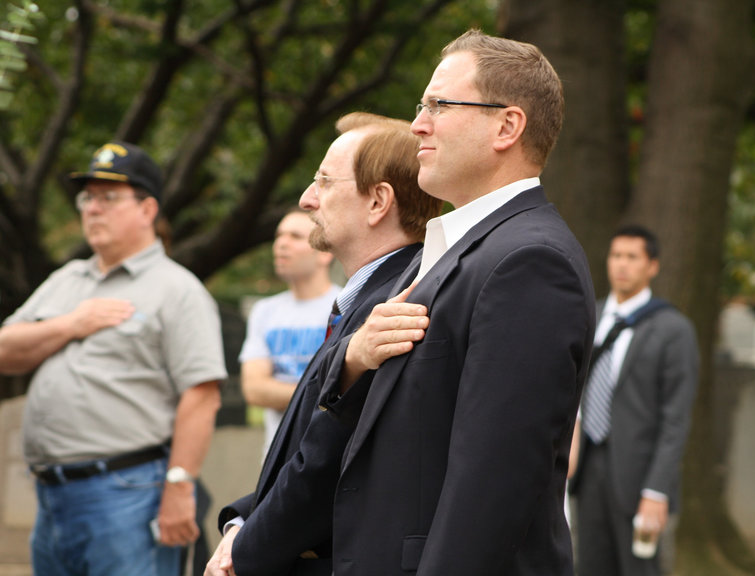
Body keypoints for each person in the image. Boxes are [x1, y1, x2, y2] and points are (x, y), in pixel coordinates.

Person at [316, 29, 596, 576]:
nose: (418, 123)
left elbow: (492, 487)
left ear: (507, 126)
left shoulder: (530, 262)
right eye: (421, 106)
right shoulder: (469, 251)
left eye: (439, 105)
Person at [204, 112, 442, 576]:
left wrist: (245, 551)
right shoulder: (370, 298)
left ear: (378, 202)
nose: (307, 199)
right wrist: (242, 521)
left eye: (324, 182)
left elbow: (330, 463)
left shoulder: (403, 301)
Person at [0, 141, 227, 576]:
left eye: (109, 198)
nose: (92, 209)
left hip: (129, 493)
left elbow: (202, 396)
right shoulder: (68, 278)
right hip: (51, 497)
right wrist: (70, 324)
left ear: (147, 210)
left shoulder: (177, 290)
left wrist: (179, 487)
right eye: (88, 198)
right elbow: (6, 351)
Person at [569, 225, 698, 576]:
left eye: (632, 257)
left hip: (640, 477)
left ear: (652, 266)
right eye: (616, 256)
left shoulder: (673, 330)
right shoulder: (589, 317)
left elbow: (676, 419)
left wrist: (657, 491)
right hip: (588, 469)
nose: (622, 265)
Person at [239, 208, 340, 455]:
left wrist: (278, 390)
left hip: (329, 457)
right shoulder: (265, 310)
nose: (281, 244)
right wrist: (320, 393)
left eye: (295, 236)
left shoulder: (346, 304)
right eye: (278, 235)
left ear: (324, 252)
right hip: (275, 459)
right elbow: (253, 390)